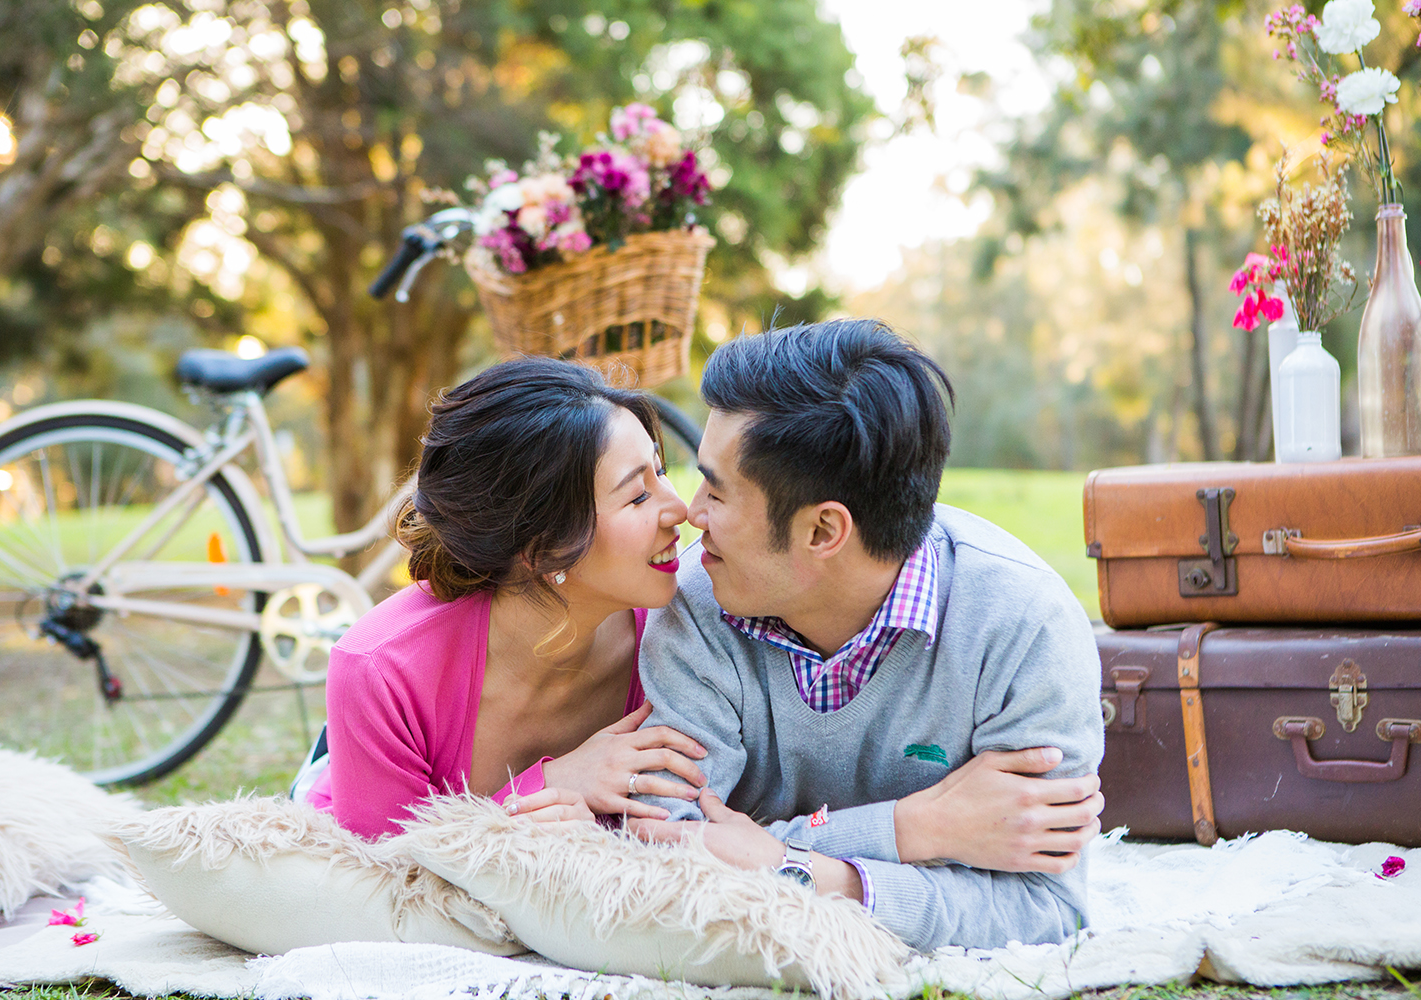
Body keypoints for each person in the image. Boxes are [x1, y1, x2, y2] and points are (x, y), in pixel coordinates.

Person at [628, 319, 1106, 952]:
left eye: (716, 490)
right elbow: (667, 847)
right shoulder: (696, 603)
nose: (691, 514)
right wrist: (913, 831)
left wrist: (797, 869)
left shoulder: (1024, 628)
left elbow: (1048, 907)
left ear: (824, 531)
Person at [303, 357, 708, 839]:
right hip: (349, 804)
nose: (680, 510)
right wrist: (550, 784)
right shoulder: (380, 669)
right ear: (541, 547)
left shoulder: (683, 637)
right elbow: (386, 881)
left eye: (661, 473)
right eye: (638, 496)